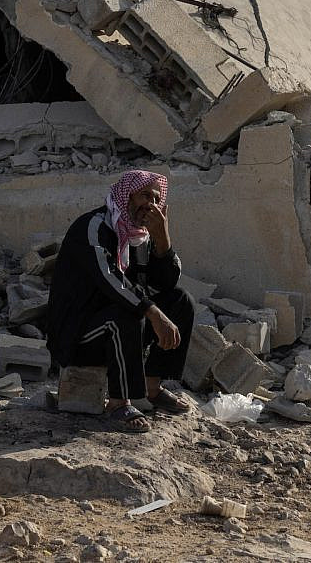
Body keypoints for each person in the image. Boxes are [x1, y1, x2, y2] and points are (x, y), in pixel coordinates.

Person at [47, 170, 195, 432]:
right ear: (127, 196)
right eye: (144, 195)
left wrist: (163, 238)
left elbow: (164, 283)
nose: (150, 203)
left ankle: (151, 387)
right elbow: (109, 279)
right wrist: (154, 314)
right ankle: (118, 402)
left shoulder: (140, 236)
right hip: (79, 333)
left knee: (180, 301)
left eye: (156, 198)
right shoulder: (95, 226)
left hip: (119, 329)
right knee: (128, 313)